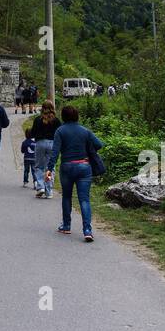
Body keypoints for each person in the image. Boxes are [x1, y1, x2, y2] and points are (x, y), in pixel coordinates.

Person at [45, 104, 104, 242]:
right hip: (84, 166)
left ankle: (66, 225)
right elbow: (99, 144)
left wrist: (49, 168)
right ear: (77, 115)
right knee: (84, 199)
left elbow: (55, 152)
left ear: (64, 116)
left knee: (66, 197)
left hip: (67, 167)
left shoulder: (60, 131)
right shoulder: (85, 131)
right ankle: (87, 230)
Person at [30, 101, 60, 199]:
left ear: (42, 108)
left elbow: (33, 133)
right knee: (50, 167)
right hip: (52, 144)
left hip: (40, 143)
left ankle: (40, 187)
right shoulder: (56, 120)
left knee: (39, 166)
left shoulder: (38, 119)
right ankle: (49, 190)